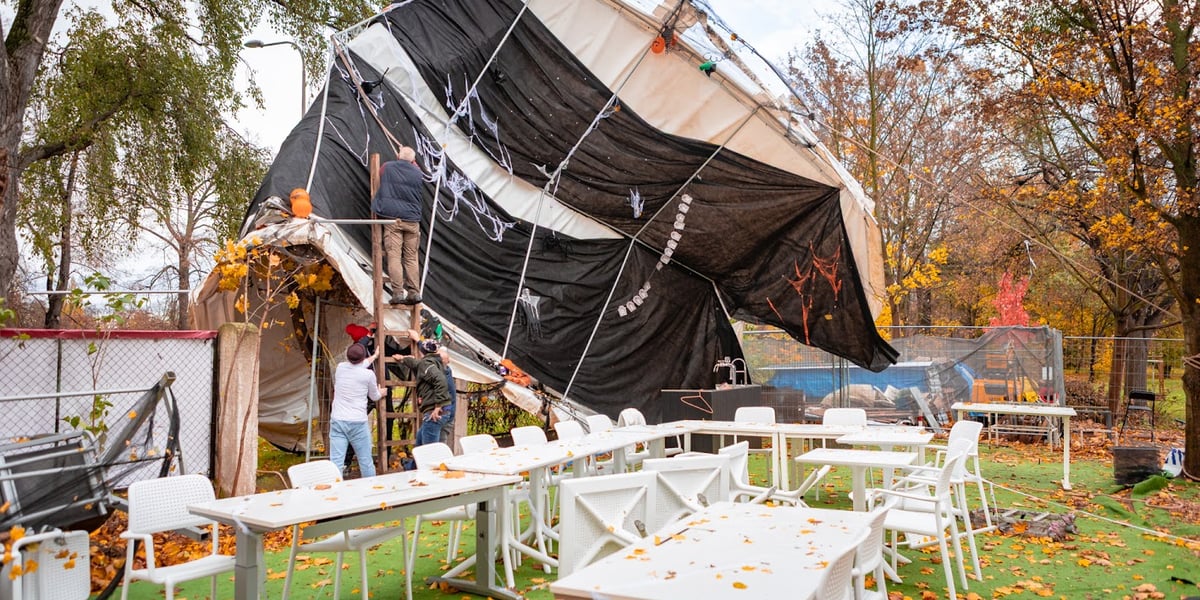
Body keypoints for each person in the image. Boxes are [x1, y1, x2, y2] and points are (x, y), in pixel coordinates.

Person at [371, 145, 424, 305]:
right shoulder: (418, 173)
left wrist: (399, 156)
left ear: (398, 156)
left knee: (394, 256)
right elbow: (414, 167)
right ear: (413, 160)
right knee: (411, 258)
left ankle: (398, 293)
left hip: (393, 219)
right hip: (413, 220)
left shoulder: (388, 167)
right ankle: (414, 293)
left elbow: (380, 173)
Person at [330, 343, 383, 478]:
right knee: (365, 461)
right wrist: (381, 392)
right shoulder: (368, 375)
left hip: (338, 420)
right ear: (363, 356)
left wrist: (375, 356)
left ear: (348, 357)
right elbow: (374, 396)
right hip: (357, 422)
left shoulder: (341, 368)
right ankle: (371, 490)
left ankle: (334, 491)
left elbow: (359, 365)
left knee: (336, 461)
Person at [394, 332, 450, 446]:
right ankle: (414, 464)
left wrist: (438, 406)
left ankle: (435, 464)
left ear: (421, 352)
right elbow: (416, 363)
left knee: (428, 451)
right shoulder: (435, 362)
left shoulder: (426, 364)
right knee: (419, 447)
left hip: (434, 412)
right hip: (438, 411)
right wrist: (403, 359)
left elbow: (440, 381)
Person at [438, 346, 458, 444]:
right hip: (448, 415)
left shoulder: (441, 375)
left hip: (444, 415)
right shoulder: (447, 370)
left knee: (437, 447)